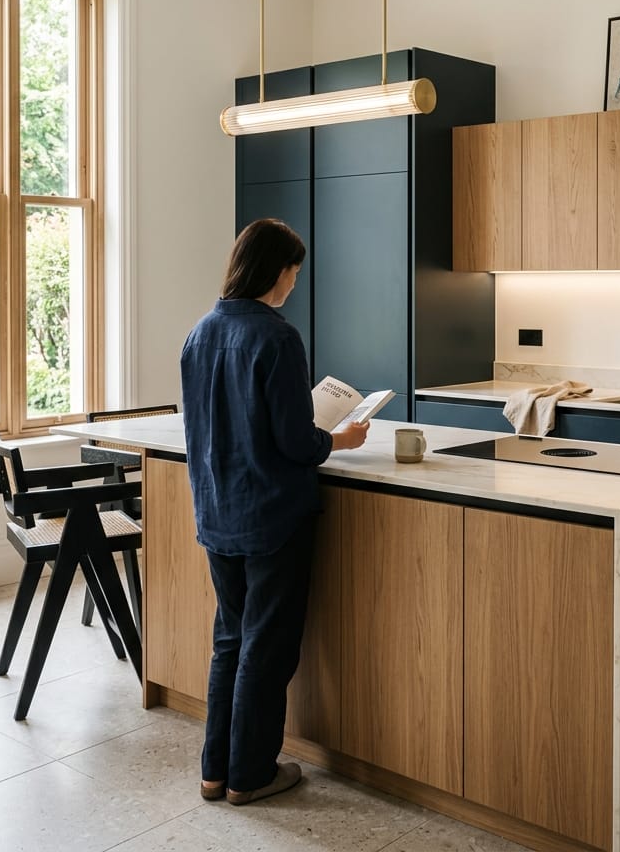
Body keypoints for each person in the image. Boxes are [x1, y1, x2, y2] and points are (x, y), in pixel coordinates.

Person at [180, 218, 368, 806]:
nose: (294, 283)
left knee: (230, 640)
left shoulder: (200, 332)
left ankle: (217, 771)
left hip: (217, 512)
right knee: (266, 646)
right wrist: (341, 439)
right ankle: (251, 775)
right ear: (276, 270)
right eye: (294, 271)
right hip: (272, 517)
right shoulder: (277, 338)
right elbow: (295, 440)